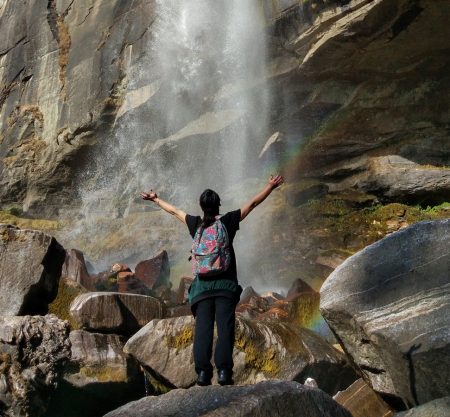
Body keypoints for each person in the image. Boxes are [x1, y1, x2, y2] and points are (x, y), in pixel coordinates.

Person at [140, 174, 284, 386]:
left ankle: (203, 374)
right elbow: (252, 203)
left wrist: (155, 199)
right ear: (219, 205)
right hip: (225, 287)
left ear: (201, 206)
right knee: (225, 328)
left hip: (201, 289)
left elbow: (174, 211)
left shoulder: (195, 224)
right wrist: (270, 186)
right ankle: (224, 373)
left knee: (203, 330)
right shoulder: (227, 221)